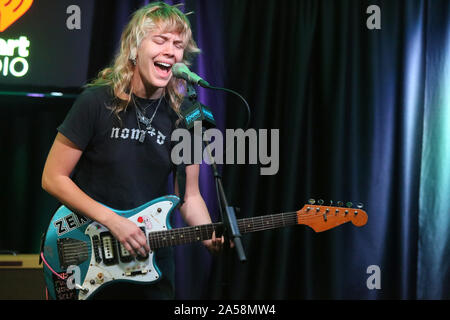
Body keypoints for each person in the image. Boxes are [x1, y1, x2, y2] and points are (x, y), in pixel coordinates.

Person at [41, 2, 223, 300]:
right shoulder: (96, 101)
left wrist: (208, 233)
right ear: (134, 48)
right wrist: (113, 221)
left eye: (178, 44)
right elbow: (53, 177)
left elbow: (190, 196)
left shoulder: (187, 119)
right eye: (160, 40)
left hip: (150, 261)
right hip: (88, 252)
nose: (171, 51)